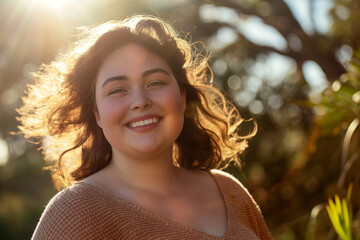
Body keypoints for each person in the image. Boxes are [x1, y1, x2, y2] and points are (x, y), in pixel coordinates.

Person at [18, 15, 273, 239]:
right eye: (117, 90)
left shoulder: (229, 190)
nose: (140, 102)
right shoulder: (74, 214)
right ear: (97, 114)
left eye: (155, 83)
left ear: (182, 98)